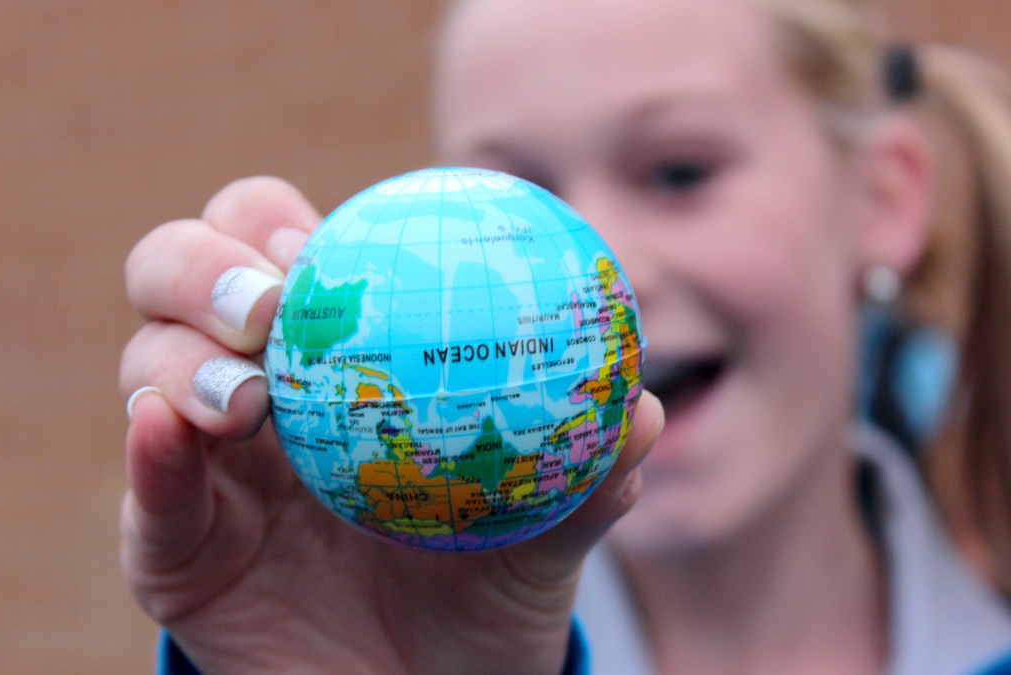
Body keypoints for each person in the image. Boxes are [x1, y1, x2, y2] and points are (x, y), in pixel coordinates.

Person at [117, 0, 1011, 672]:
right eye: (517, 205)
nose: (607, 265)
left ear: (884, 201)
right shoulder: (439, 623)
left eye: (680, 170)